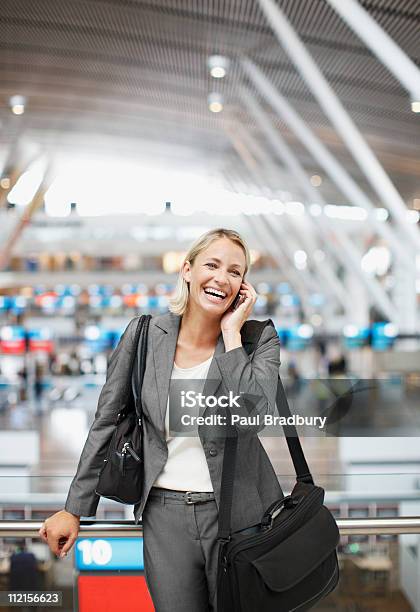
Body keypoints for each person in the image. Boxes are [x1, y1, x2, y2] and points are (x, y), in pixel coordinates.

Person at [39, 228, 283, 611]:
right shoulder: (144, 335)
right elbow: (105, 421)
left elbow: (253, 418)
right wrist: (74, 508)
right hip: (165, 517)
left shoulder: (258, 340)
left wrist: (232, 336)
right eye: (212, 265)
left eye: (235, 272)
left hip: (241, 517)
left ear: (243, 286)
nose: (222, 278)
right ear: (187, 270)